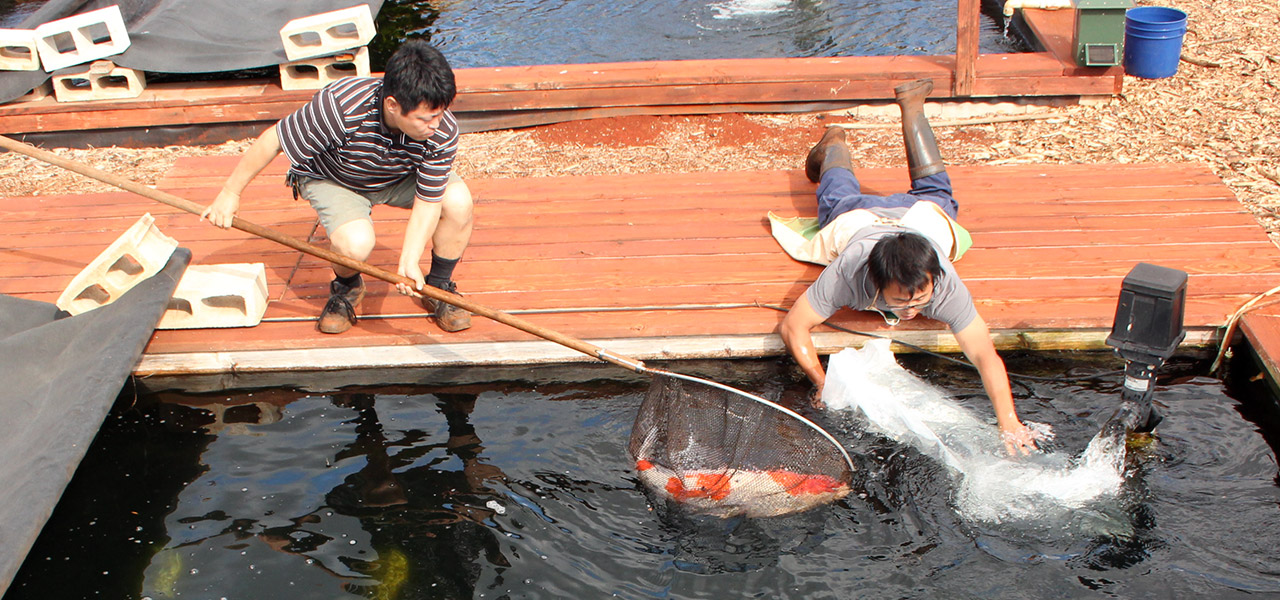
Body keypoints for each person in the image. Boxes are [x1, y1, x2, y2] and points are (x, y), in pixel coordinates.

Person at [779, 78, 1040, 455]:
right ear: (876, 283)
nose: (913, 311)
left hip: (921, 220)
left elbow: (985, 354)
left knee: (937, 195)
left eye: (920, 300)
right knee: (837, 192)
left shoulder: (945, 284)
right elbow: (794, 326)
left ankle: (913, 107)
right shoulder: (851, 271)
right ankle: (834, 142)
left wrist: (1009, 422)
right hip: (859, 217)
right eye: (901, 304)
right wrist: (822, 382)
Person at [202, 40, 473, 334]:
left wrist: (409, 259)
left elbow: (429, 199)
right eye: (426, 117)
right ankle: (347, 287)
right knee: (354, 243)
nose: (437, 123)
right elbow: (274, 140)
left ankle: (439, 287)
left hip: (396, 176)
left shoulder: (441, 129)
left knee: (458, 201)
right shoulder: (340, 106)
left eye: (441, 112)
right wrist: (230, 193)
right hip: (334, 177)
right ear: (392, 105)